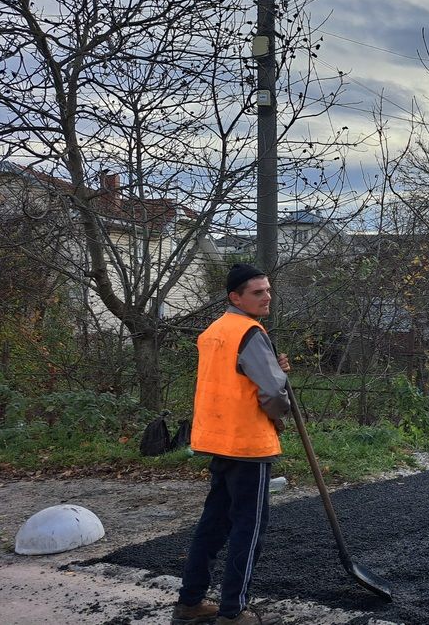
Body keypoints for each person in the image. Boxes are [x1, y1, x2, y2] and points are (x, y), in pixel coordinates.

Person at [172, 264, 290, 625]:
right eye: (257, 292)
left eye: (267, 290)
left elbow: (237, 378)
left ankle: (189, 603)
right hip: (247, 445)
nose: (266, 296)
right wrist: (281, 406)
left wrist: (275, 368)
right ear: (235, 297)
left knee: (214, 524)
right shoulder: (250, 332)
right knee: (248, 527)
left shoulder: (214, 331)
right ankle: (233, 612)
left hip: (218, 441)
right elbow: (271, 392)